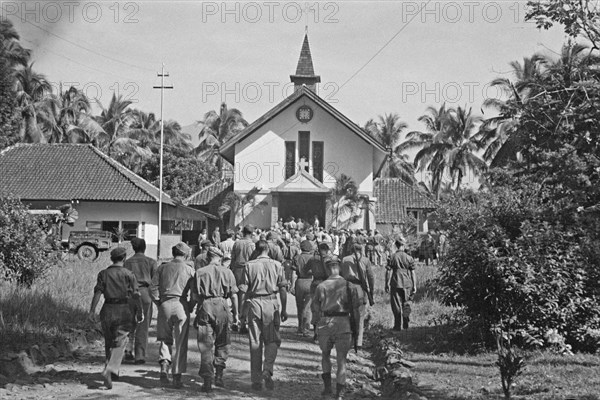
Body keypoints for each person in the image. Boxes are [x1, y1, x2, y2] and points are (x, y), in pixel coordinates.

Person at [89, 247, 143, 390]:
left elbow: (98, 293)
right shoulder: (128, 274)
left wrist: (91, 310)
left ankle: (111, 370)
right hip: (123, 309)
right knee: (121, 341)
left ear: (111, 258)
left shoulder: (103, 273)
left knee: (109, 340)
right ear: (124, 258)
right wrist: (139, 311)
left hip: (107, 309)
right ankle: (111, 368)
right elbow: (136, 295)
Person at [239, 240, 288, 391]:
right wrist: (284, 309)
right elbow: (283, 289)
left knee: (255, 342)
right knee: (272, 339)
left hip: (254, 303)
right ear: (268, 249)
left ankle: (256, 380)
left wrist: (242, 311)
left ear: (256, 249)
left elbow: (243, 290)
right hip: (271, 302)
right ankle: (267, 369)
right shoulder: (277, 265)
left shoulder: (249, 265)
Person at [312, 258, 360, 400]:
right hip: (343, 323)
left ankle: (327, 389)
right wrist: (356, 327)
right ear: (339, 268)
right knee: (341, 360)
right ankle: (340, 393)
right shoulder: (349, 286)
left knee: (325, 355)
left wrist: (315, 326)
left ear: (328, 269)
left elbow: (315, 309)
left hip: (325, 323)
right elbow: (356, 310)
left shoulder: (321, 286)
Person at [193, 246, 239, 392]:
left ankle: (207, 379)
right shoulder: (227, 272)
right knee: (223, 341)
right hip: (222, 305)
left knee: (206, 344)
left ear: (208, 257)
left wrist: (199, 310)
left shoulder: (200, 272)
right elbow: (234, 295)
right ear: (219, 258)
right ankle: (219, 375)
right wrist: (236, 314)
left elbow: (195, 296)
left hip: (205, 305)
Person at [151, 242, 196, 388]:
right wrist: (190, 306)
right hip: (181, 305)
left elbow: (153, 288)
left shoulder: (162, 267)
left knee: (165, 339)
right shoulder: (189, 270)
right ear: (186, 254)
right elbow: (194, 293)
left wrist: (159, 303)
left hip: (165, 304)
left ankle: (164, 368)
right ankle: (177, 376)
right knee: (181, 342)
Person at [123, 238, 157, 364]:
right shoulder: (151, 262)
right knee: (143, 325)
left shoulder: (127, 262)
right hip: (145, 293)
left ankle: (127, 350)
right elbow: (155, 282)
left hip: (130, 293)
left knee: (129, 323)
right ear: (145, 247)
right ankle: (140, 355)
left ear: (133, 248)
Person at [340, 243, 375, 349]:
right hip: (360, 288)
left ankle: (348, 339)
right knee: (359, 316)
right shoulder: (365, 260)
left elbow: (340, 274)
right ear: (361, 250)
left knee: (346, 314)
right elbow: (370, 277)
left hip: (346, 286)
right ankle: (358, 342)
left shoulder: (345, 259)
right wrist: (371, 291)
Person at [385, 239, 417, 330]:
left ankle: (397, 325)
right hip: (407, 283)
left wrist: (386, 284)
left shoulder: (392, 257)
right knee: (406, 303)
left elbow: (388, 272)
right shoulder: (409, 257)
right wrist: (414, 285)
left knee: (396, 305)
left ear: (396, 246)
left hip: (395, 282)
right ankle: (406, 323)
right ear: (403, 245)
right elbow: (413, 273)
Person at [230, 225, 256, 333]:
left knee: (237, 294)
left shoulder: (237, 243)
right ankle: (243, 320)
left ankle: (237, 318)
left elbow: (233, 258)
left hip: (237, 269)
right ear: (252, 233)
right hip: (248, 269)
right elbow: (254, 260)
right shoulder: (252, 245)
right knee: (247, 294)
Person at [289, 239, 315, 335]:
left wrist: (291, 285)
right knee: (308, 307)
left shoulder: (297, 257)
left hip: (299, 282)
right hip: (310, 281)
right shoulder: (313, 258)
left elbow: (293, 271)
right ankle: (306, 328)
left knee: (299, 306)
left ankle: (300, 327)